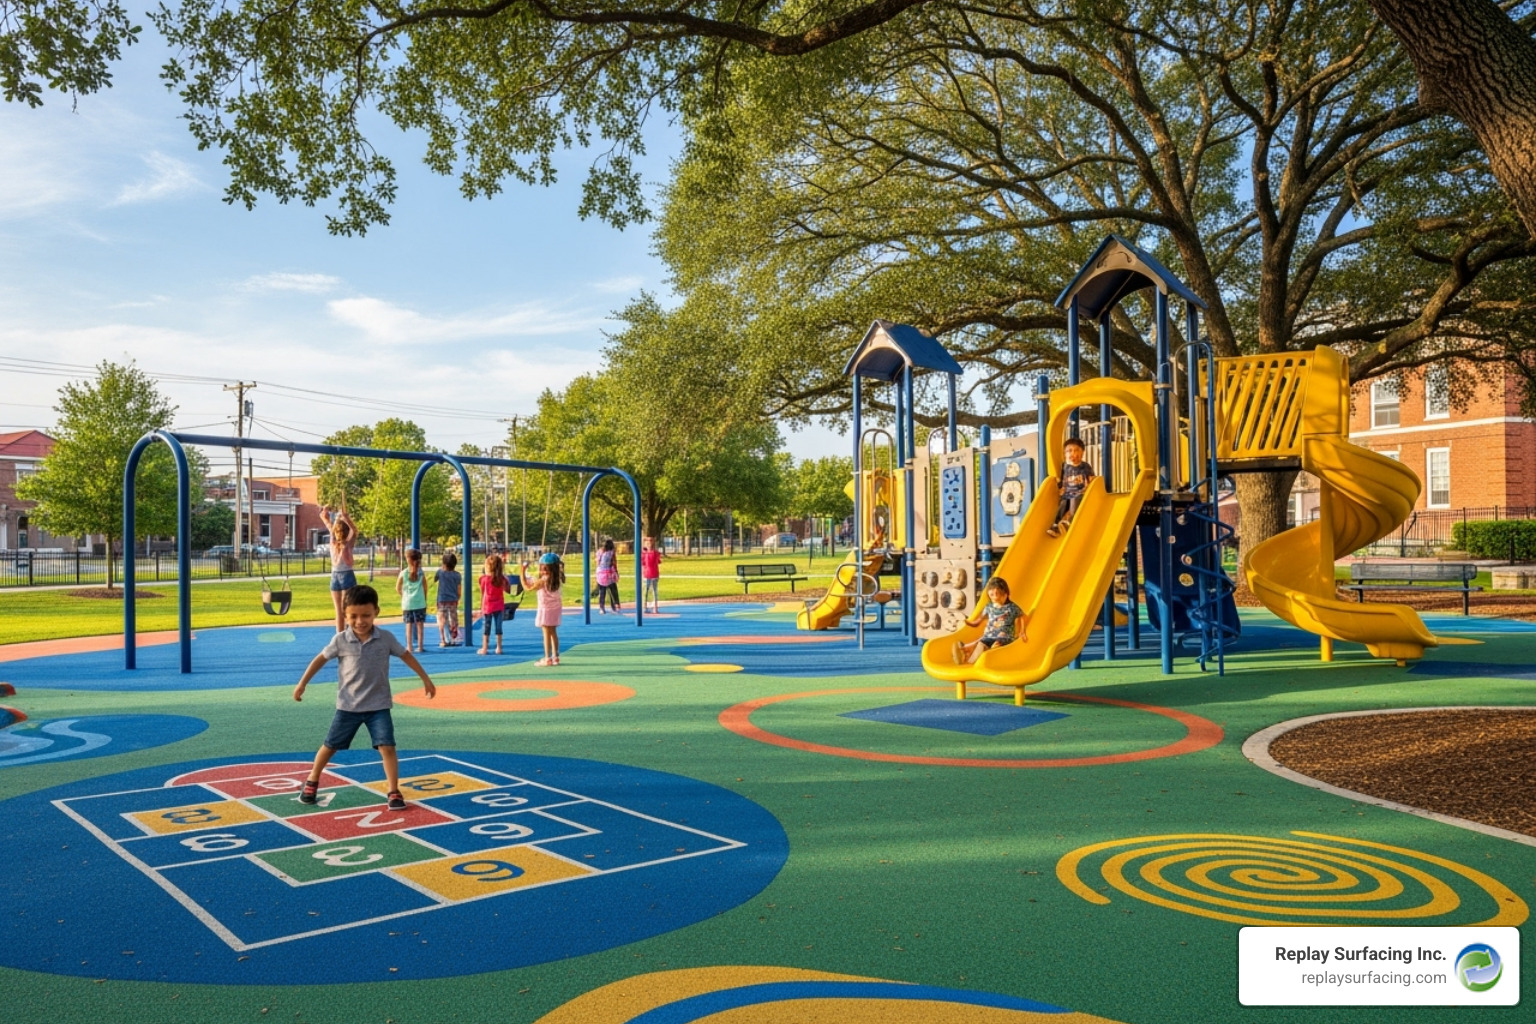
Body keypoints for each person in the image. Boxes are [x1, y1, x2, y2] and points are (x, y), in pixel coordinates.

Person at [293, 584, 436, 810]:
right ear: (345, 615)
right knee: (330, 746)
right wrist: (303, 683)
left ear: (376, 612)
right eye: (353, 616)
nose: (360, 621)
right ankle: (312, 780)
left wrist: (426, 679)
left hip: (378, 706)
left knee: (387, 746)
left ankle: (393, 791)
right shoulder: (340, 640)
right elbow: (320, 659)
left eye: (366, 615)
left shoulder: (386, 638)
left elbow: (406, 655)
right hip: (348, 707)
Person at [953, 576, 1027, 664]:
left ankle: (989, 653)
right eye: (992, 596)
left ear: (1005, 595)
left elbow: (1022, 615)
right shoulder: (989, 607)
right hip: (989, 635)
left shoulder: (1011, 607)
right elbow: (978, 622)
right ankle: (969, 662)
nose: (996, 600)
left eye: (999, 596)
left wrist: (1022, 630)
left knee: (996, 644)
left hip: (1004, 637)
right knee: (981, 643)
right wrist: (968, 622)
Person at [320, 499, 358, 632]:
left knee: (340, 611)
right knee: (347, 609)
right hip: (345, 574)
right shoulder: (347, 543)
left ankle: (340, 636)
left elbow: (325, 520)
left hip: (336, 575)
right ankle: (348, 635)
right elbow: (354, 530)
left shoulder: (335, 542)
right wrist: (346, 518)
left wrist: (327, 513)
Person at [521, 552, 565, 666]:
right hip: (556, 609)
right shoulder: (558, 578)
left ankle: (547, 658)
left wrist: (522, 571)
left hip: (545, 610)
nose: (542, 571)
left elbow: (527, 587)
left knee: (546, 634)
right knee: (553, 633)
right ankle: (556, 657)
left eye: (543, 569)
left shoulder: (543, 581)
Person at [1046, 437, 1095, 537]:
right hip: (1067, 493)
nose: (1073, 453)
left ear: (1082, 453)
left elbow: (1091, 478)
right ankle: (1055, 525)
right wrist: (1060, 487)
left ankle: (1070, 524)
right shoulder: (1064, 466)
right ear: (1065, 454)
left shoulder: (1085, 466)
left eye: (1077, 450)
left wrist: (1090, 486)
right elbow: (1060, 479)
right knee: (1062, 506)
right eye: (1069, 451)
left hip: (1079, 493)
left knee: (1074, 504)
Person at [478, 553, 513, 655]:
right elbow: (508, 589)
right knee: (498, 627)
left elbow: (482, 592)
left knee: (486, 627)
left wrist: (481, 606)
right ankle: (499, 647)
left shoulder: (484, 579)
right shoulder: (502, 579)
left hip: (487, 605)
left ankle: (485, 648)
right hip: (499, 605)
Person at [395, 548, 428, 653]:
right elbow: (425, 587)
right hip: (420, 602)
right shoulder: (421, 573)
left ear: (407, 559)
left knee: (409, 625)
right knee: (420, 625)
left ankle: (409, 647)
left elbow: (397, 587)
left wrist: (403, 595)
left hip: (408, 603)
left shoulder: (404, 573)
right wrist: (424, 597)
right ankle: (420, 646)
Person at [433, 552, 462, 646]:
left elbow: (435, 579)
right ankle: (453, 639)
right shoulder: (457, 575)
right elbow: (459, 589)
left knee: (442, 619)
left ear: (444, 564)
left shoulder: (440, 572)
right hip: (453, 599)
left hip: (442, 599)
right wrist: (458, 597)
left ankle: (443, 640)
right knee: (453, 619)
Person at [595, 538, 620, 613]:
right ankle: (614, 606)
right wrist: (616, 572)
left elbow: (597, 562)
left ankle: (602, 607)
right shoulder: (611, 553)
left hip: (601, 573)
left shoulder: (600, 551)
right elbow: (614, 563)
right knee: (612, 590)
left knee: (602, 591)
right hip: (609, 574)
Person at [641, 537, 662, 614]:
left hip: (647, 574)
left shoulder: (644, 554)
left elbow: (642, 563)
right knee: (654, 591)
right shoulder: (656, 553)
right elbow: (659, 561)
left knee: (645, 591)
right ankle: (655, 608)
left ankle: (645, 607)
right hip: (655, 573)